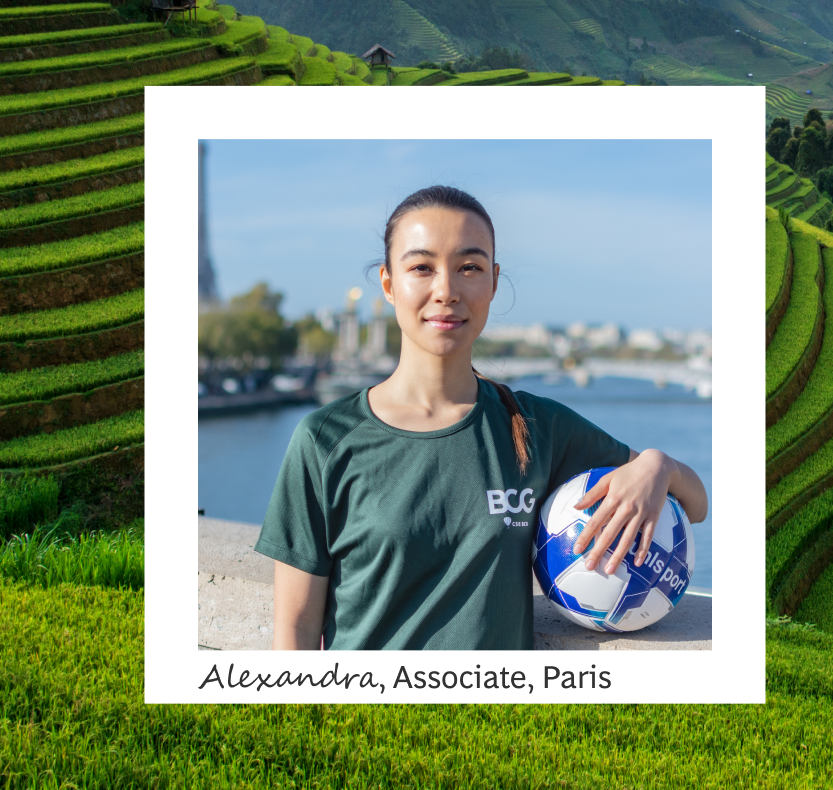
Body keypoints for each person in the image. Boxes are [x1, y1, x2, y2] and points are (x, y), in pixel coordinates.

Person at [256, 185, 707, 650]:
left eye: (468, 268)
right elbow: (295, 631)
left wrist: (657, 465)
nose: (446, 291)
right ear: (389, 285)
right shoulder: (325, 440)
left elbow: (696, 504)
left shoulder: (536, 427)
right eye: (421, 268)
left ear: (493, 282)